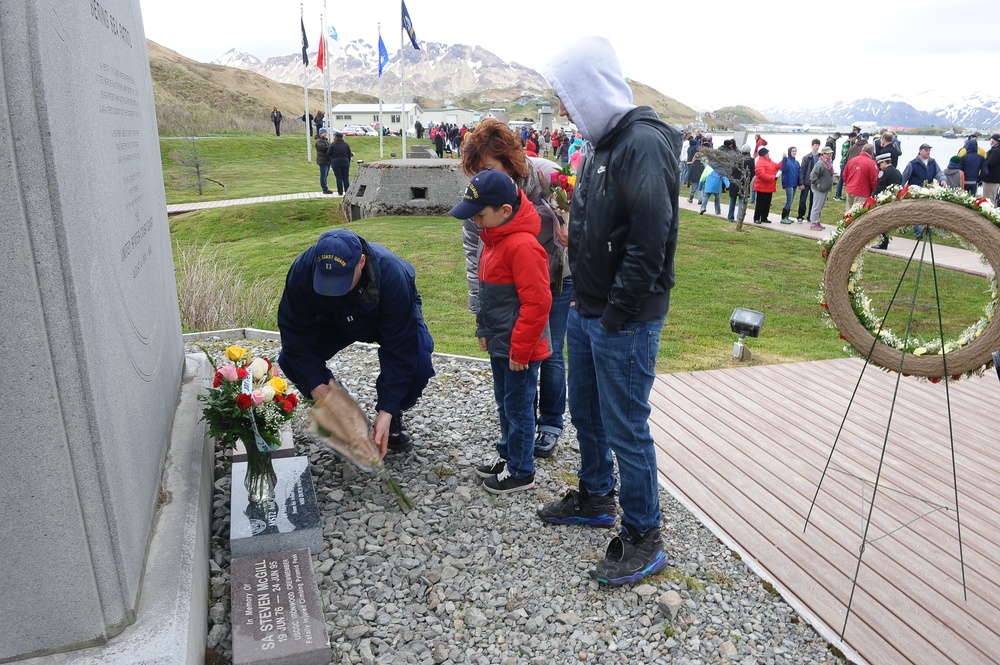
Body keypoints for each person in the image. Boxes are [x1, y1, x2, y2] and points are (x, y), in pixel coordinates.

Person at [537, 35, 680, 586]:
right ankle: (597, 495)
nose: (566, 108)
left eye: (569, 96)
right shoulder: (601, 141)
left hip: (625, 316)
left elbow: (651, 236)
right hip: (587, 307)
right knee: (586, 412)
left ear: (591, 87)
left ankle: (645, 534)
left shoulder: (641, 143)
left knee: (626, 426)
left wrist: (618, 312)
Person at [459, 117, 573, 459]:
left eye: (489, 166)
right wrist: (479, 305)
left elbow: (583, 217)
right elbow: (472, 250)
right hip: (510, 287)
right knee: (514, 356)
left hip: (555, 278)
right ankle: (522, 422)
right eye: (476, 169)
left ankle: (550, 423)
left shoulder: (548, 177)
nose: (483, 175)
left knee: (548, 351)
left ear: (510, 159)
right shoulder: (481, 195)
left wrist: (571, 233)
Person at [277, 229, 435, 457]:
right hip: (335, 318)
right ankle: (343, 411)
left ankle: (394, 416)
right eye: (326, 282)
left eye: (341, 281)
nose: (333, 289)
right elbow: (294, 332)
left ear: (361, 262)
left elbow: (400, 348)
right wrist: (318, 388)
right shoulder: (303, 269)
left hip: (382, 316)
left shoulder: (392, 274)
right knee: (290, 360)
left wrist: (388, 408)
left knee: (418, 365)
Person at [449, 170, 552, 494]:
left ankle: (522, 470)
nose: (475, 223)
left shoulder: (522, 246)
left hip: (519, 351)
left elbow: (537, 303)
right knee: (505, 404)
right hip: (501, 344)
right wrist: (483, 326)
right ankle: (509, 455)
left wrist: (520, 349)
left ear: (505, 212)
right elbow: (488, 292)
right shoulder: (492, 239)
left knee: (519, 409)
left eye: (480, 215)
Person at [902, 144, 946, 238]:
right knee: (916, 211)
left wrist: (943, 179)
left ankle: (928, 229)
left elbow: (938, 173)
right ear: (920, 151)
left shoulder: (932, 162)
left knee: (928, 210)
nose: (928, 152)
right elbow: (905, 176)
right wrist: (900, 188)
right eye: (926, 150)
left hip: (928, 191)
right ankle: (918, 232)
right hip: (916, 191)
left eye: (929, 150)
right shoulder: (913, 163)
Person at [870, 152, 903, 250]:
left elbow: (879, 186)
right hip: (893, 200)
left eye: (879, 164)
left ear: (884, 162)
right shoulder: (897, 172)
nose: (879, 167)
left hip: (884, 200)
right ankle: (885, 241)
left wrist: (873, 197)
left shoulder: (884, 172)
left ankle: (883, 243)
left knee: (882, 222)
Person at [842, 144, 879, 212]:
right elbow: (874, 179)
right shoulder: (871, 163)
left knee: (848, 212)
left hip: (850, 189)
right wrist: (874, 190)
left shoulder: (851, 160)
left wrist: (848, 184)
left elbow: (844, 175)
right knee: (857, 214)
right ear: (872, 153)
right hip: (862, 192)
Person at [752, 147, 782, 224]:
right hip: (762, 187)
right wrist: (773, 177)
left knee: (767, 203)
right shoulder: (760, 162)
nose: (769, 154)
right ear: (764, 154)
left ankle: (764, 217)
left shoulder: (770, 161)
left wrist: (783, 160)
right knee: (760, 203)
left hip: (769, 186)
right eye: (767, 153)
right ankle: (757, 218)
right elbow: (761, 175)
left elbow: (777, 166)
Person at [809, 146, 835, 231]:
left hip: (825, 189)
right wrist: (817, 183)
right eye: (828, 154)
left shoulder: (829, 163)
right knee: (816, 206)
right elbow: (813, 175)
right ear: (823, 154)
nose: (830, 155)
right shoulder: (820, 163)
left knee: (820, 207)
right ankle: (813, 223)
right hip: (819, 189)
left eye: (831, 153)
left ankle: (817, 221)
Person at [728, 144, 754, 222]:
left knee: (732, 200)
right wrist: (748, 180)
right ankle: (739, 218)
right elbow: (752, 172)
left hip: (735, 181)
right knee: (741, 201)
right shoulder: (751, 160)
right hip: (744, 182)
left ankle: (730, 217)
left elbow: (731, 169)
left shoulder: (736, 158)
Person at [797, 139, 821, 222]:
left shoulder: (820, 157)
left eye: (818, 145)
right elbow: (802, 171)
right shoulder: (806, 157)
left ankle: (811, 216)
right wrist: (801, 182)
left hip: (815, 183)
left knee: (813, 201)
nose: (817, 147)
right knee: (803, 200)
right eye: (815, 145)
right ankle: (800, 215)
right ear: (812, 146)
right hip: (807, 182)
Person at [779, 146, 799, 223]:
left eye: (795, 151)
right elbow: (783, 169)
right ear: (789, 152)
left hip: (794, 183)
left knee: (791, 201)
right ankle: (783, 217)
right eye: (793, 151)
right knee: (789, 201)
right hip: (788, 183)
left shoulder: (796, 162)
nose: (794, 152)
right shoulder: (786, 161)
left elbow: (798, 172)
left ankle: (787, 216)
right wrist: (784, 158)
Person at [835, 132, 856, 201]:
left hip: (847, 164)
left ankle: (841, 195)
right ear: (851, 137)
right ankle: (837, 195)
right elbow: (845, 154)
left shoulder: (852, 144)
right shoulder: (846, 144)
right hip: (844, 163)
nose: (855, 140)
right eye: (854, 138)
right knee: (841, 179)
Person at [983, 133, 1000, 204]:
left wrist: (983, 163)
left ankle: (988, 213)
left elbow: (990, 164)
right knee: (990, 198)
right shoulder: (996, 150)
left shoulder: (996, 151)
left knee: (988, 199)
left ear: (993, 141)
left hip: (991, 179)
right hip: (995, 179)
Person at [315, 128, 333, 194]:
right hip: (322, 160)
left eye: (326, 133)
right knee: (323, 175)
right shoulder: (318, 141)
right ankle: (324, 189)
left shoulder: (325, 141)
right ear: (321, 133)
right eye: (324, 133)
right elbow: (323, 148)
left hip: (327, 160)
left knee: (326, 175)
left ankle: (326, 188)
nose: (325, 134)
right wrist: (331, 146)